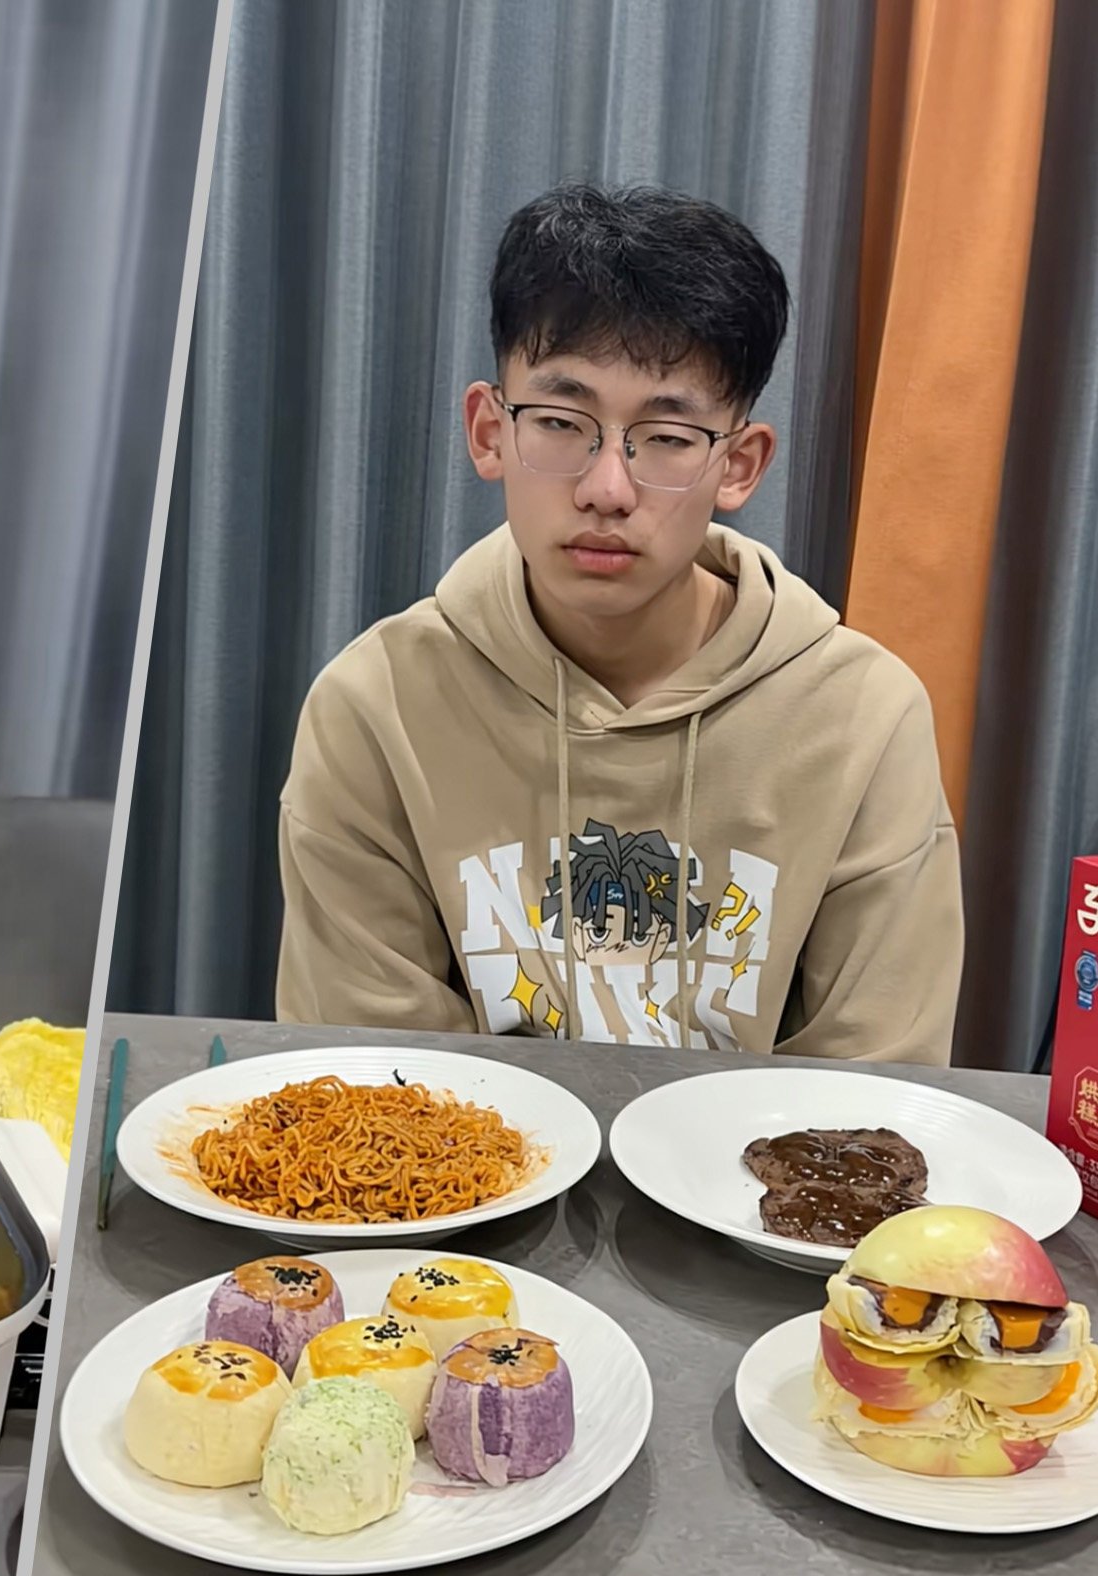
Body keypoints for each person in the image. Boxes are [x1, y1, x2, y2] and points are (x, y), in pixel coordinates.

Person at [276, 182, 961, 1062]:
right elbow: (363, 1083)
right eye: (562, 424)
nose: (608, 488)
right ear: (490, 432)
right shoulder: (376, 708)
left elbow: (875, 1092)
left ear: (740, 464)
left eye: (668, 437)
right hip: (472, 1196)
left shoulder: (863, 716)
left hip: (739, 1199)